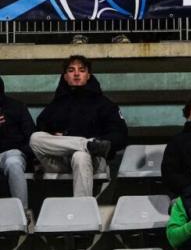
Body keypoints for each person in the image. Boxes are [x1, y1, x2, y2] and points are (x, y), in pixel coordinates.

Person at [29, 55, 127, 197]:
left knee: (80, 156)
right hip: (60, 159)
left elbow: (120, 136)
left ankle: (82, 213)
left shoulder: (104, 104)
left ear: (88, 75)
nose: (76, 74)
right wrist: (60, 140)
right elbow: (42, 133)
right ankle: (87, 144)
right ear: (65, 76)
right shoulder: (55, 105)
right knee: (35, 138)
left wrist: (70, 137)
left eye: (81, 70)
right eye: (71, 70)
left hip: (92, 158)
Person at [0, 75, 35, 217]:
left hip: (13, 152)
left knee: (13, 162)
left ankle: (22, 213)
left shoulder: (16, 107)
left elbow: (31, 136)